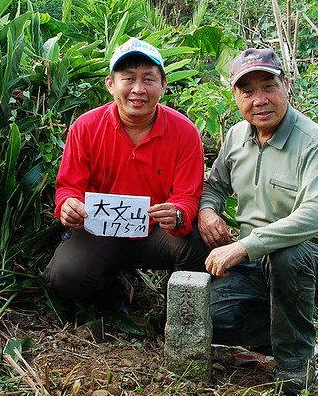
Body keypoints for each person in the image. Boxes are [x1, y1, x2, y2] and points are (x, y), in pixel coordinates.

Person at [197, 47, 318, 395]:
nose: (260, 100)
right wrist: (207, 212)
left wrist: (243, 246)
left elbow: (311, 217)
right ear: (236, 96)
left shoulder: (314, 141)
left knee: (288, 257)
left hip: (316, 257)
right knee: (212, 320)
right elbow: (215, 187)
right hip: (255, 263)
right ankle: (288, 323)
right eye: (247, 91)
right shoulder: (236, 137)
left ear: (286, 85)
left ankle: (297, 368)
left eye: (269, 86)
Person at [42, 37, 207, 314]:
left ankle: (176, 312)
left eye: (148, 79)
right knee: (65, 275)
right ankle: (113, 291)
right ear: (111, 84)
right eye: (128, 79)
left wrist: (178, 213)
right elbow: (69, 187)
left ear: (163, 85)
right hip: (99, 231)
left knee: (201, 247)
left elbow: (188, 196)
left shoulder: (185, 132)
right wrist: (68, 205)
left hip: (158, 233)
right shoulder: (86, 127)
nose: (138, 89)